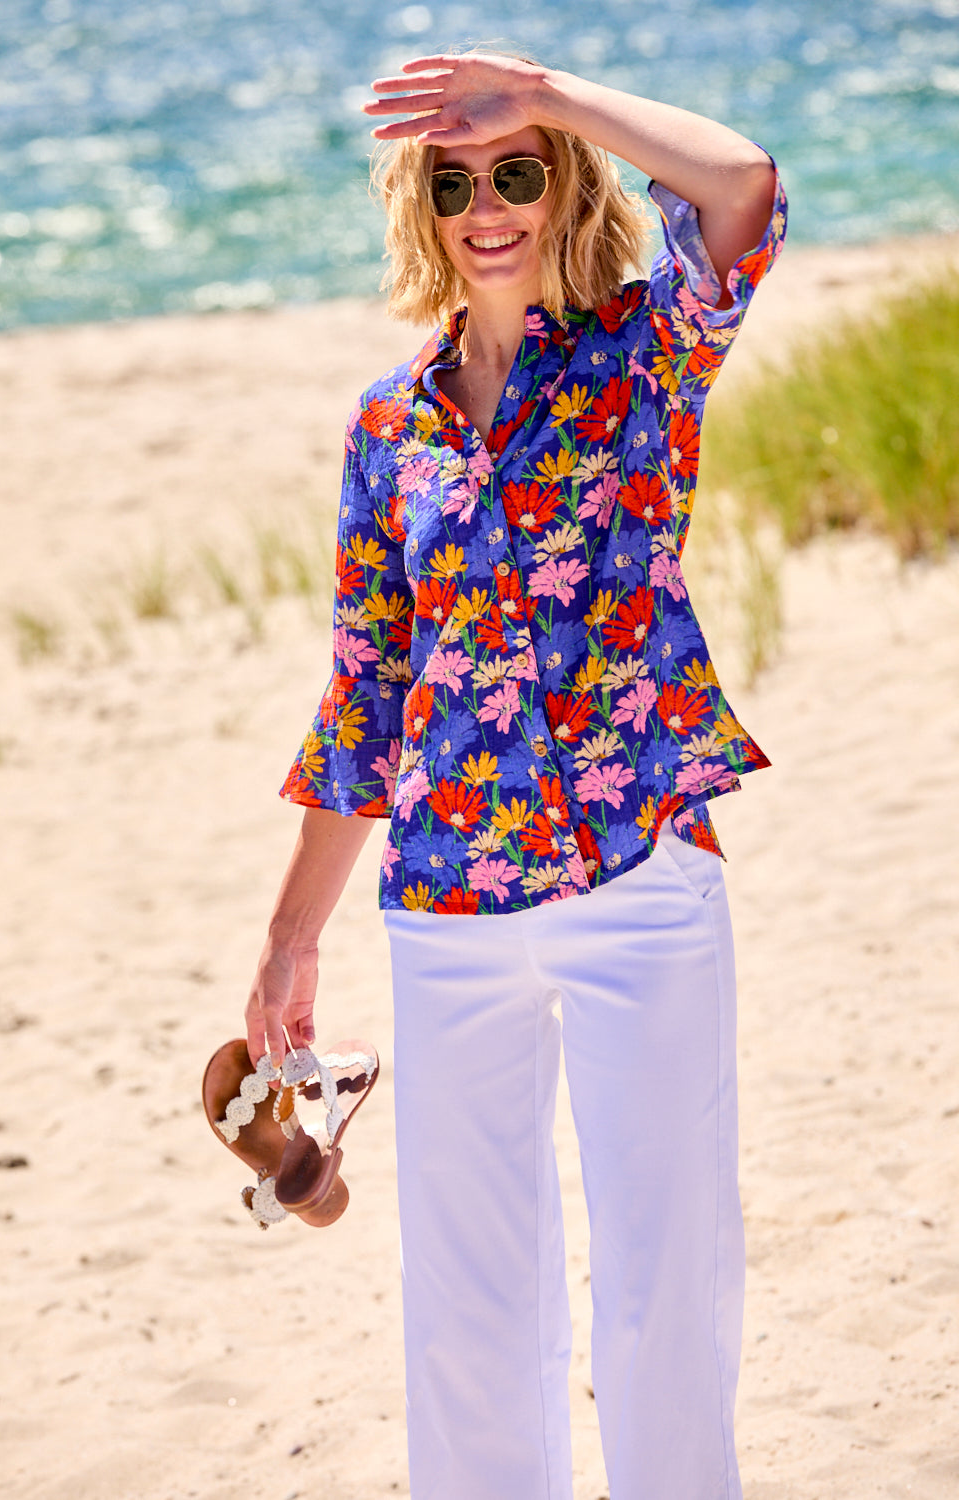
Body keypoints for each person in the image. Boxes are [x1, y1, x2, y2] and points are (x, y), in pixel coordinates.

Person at [245, 49, 786, 1500]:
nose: (486, 204)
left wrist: (546, 91)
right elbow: (365, 695)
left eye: (514, 173)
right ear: (424, 212)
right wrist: (292, 939)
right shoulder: (388, 427)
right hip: (447, 916)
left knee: (669, 1290)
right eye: (455, 183)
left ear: (561, 186)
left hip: (639, 890)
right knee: (470, 1326)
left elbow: (739, 189)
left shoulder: (642, 358)